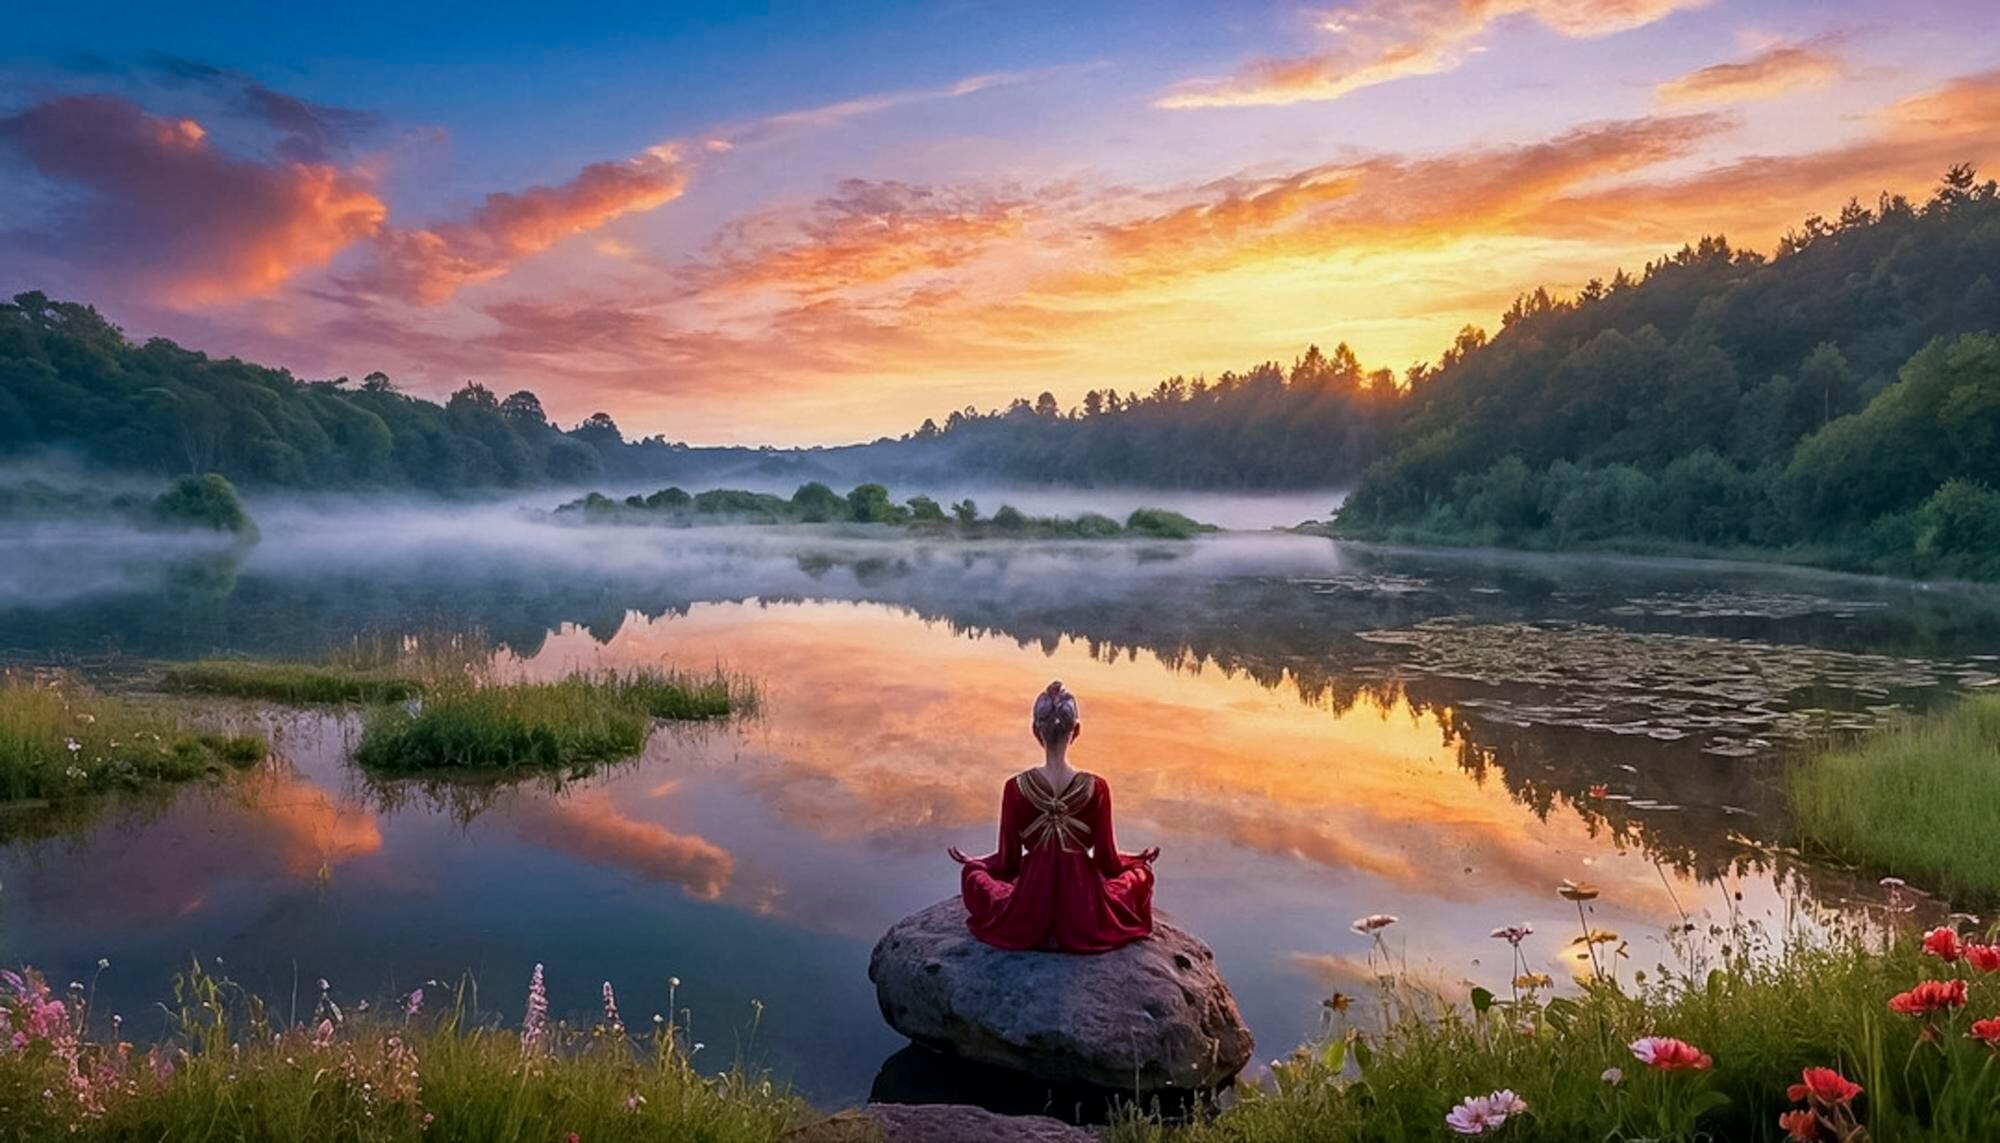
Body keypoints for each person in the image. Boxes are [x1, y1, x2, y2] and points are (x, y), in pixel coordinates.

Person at [949, 681, 1158, 952]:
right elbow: (1107, 861)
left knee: (972, 875)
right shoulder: (1097, 787)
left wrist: (977, 862)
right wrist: (1137, 860)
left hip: (1030, 905)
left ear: (1035, 731)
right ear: (1077, 730)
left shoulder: (1015, 787)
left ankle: (1042, 928)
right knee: (1141, 875)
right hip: (1084, 907)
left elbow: (1008, 862)